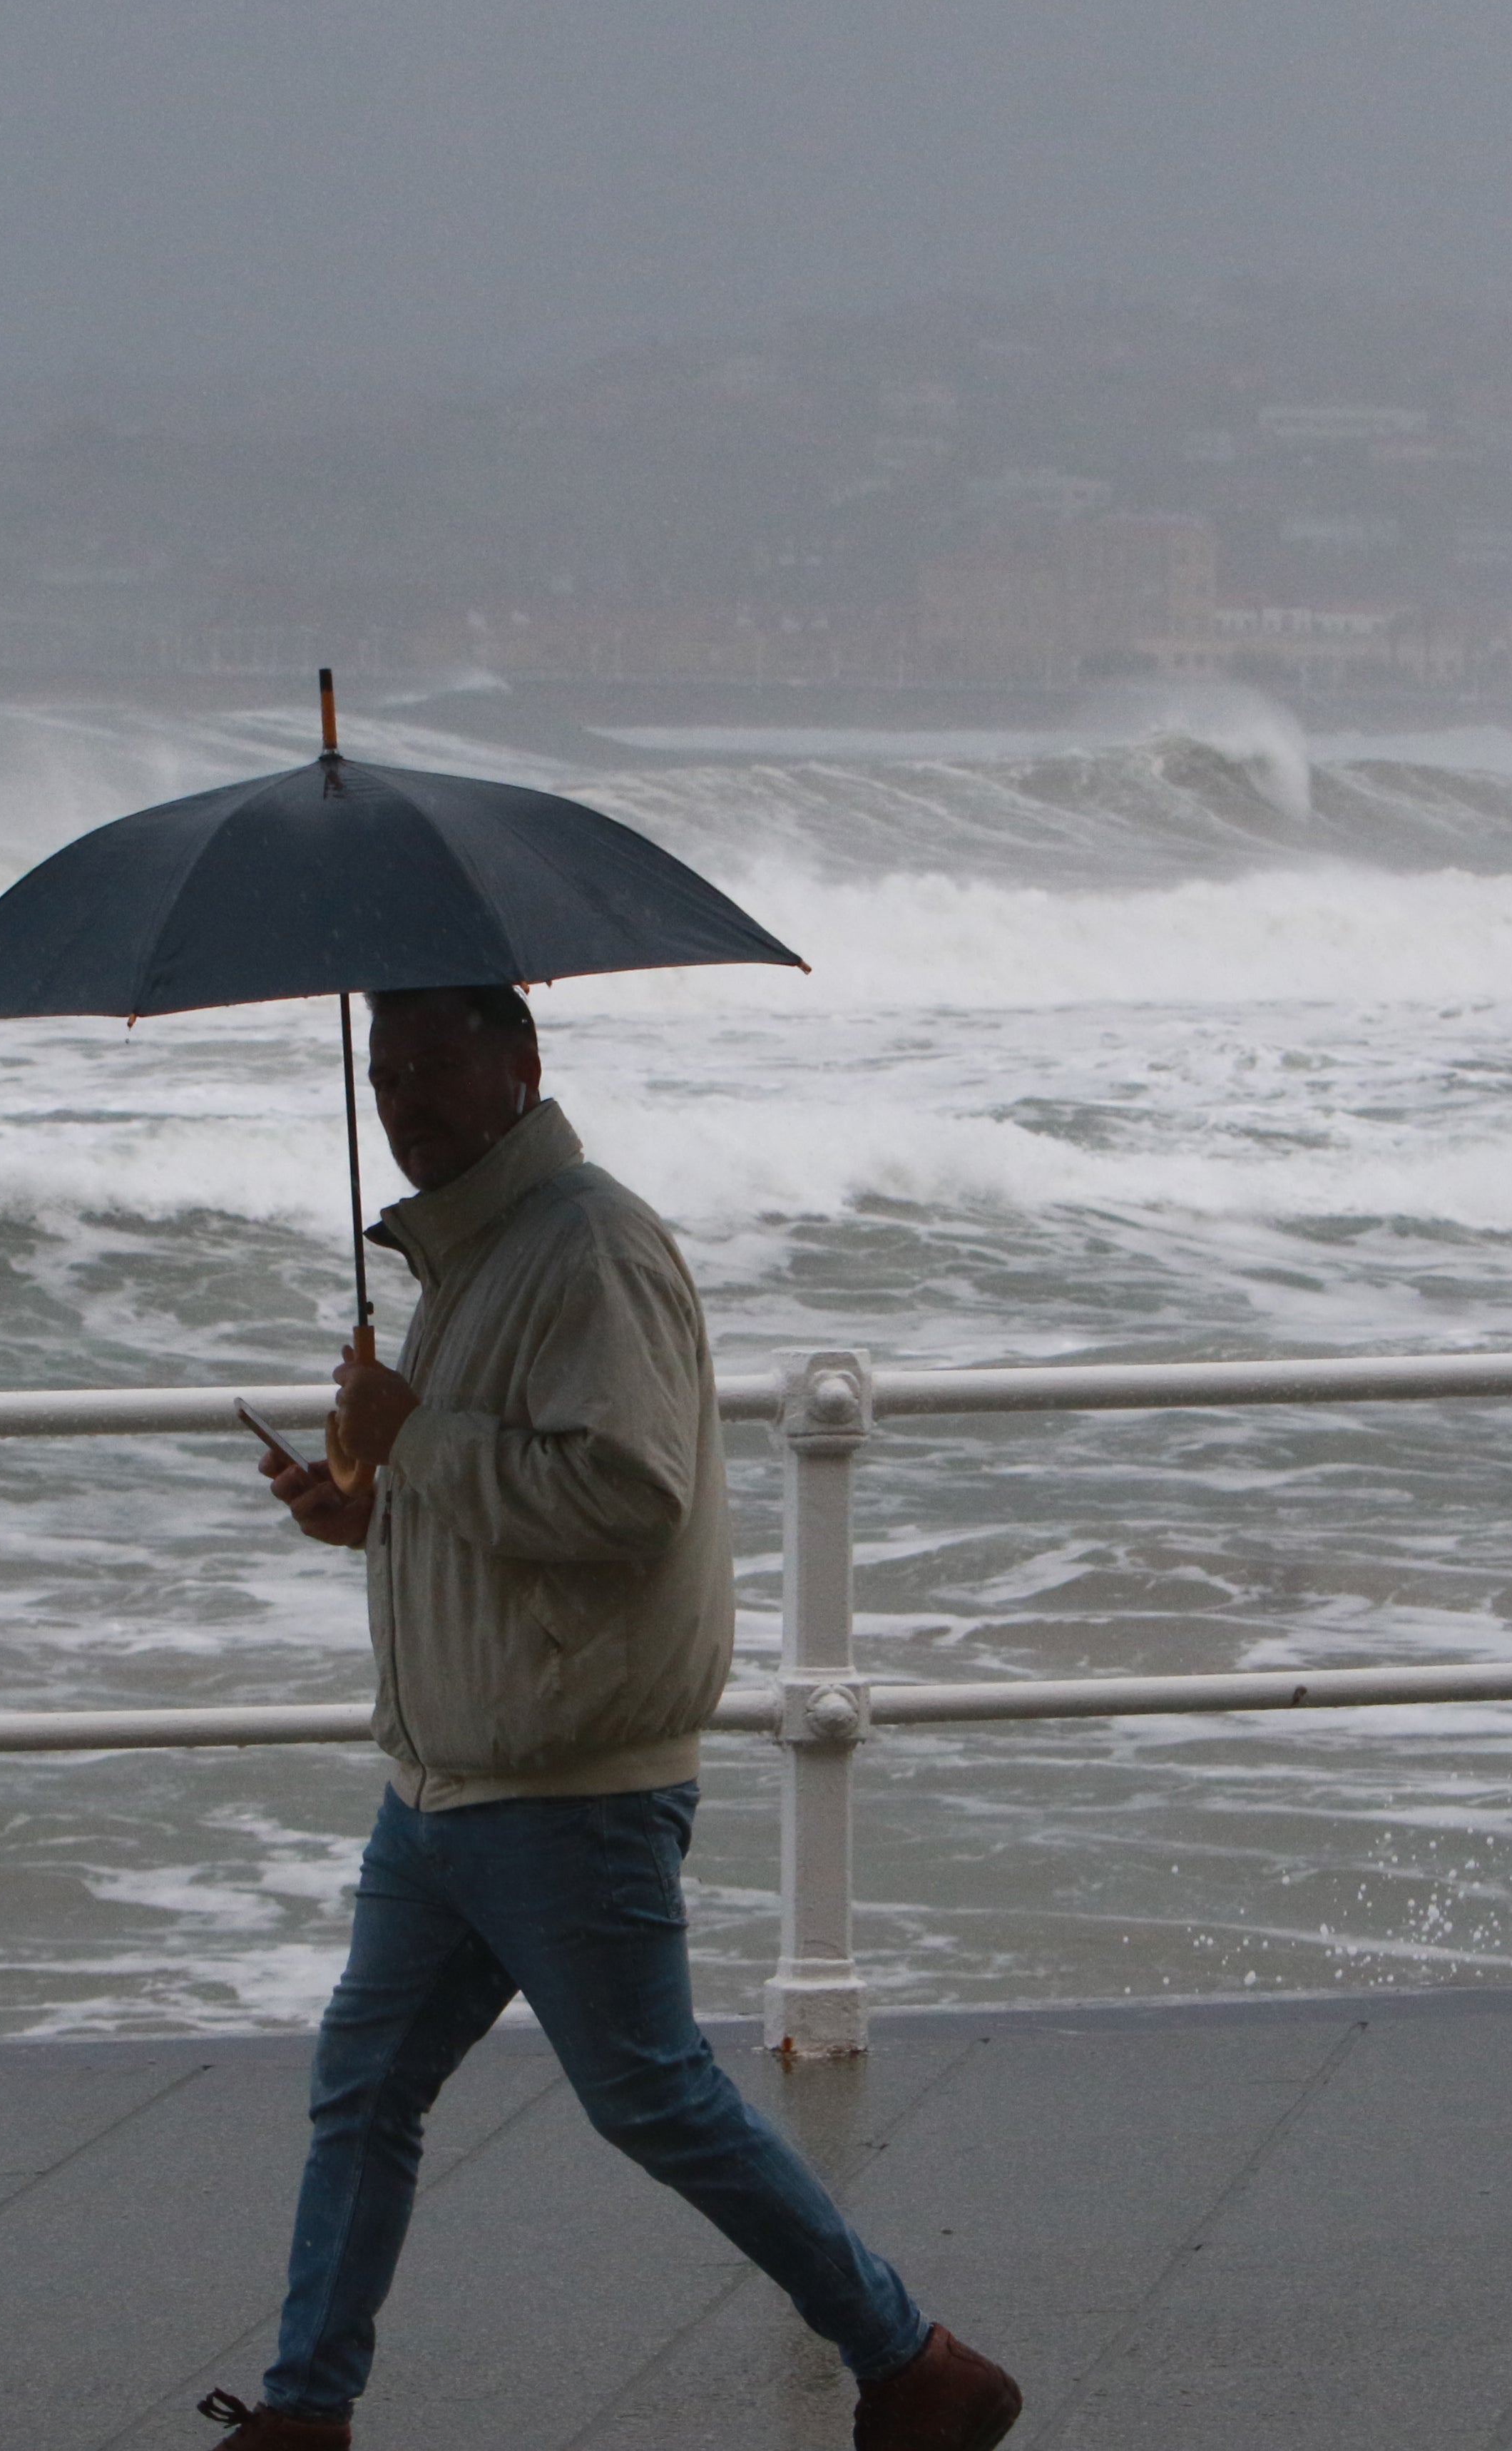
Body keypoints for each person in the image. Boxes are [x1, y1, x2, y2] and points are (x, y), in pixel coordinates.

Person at [199, 984, 1020, 2451]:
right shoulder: (469, 1260)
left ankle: (918, 2363)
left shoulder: (590, 1245)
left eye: (436, 1064)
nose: (402, 1098)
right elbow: (485, 1498)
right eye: (384, 1072)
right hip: (444, 1782)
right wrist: (358, 1508)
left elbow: (628, 1499)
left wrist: (414, 1436)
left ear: (521, 1062)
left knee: (656, 2102)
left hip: (568, 1780)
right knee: (365, 2091)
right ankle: (304, 2412)